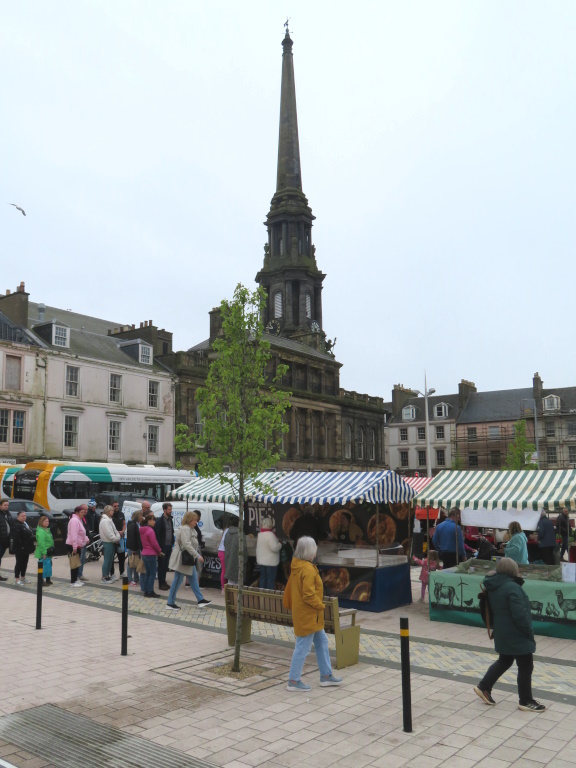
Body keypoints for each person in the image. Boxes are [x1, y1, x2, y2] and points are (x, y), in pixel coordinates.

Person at [473, 557, 545, 712]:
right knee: (526, 665)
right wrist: (529, 632)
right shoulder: (512, 588)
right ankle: (525, 700)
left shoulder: (494, 586)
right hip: (516, 633)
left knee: (505, 660)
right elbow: (520, 615)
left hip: (502, 632)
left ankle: (484, 686)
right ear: (513, 570)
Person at [283, 536, 343, 692]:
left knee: (321, 642)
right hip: (309, 614)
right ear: (309, 551)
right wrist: (320, 605)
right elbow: (308, 594)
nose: (316, 551)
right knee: (302, 647)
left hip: (306, 614)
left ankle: (326, 675)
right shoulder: (308, 569)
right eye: (314, 548)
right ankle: (293, 680)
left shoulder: (297, 566)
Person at [166, 511, 211, 610]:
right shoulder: (186, 529)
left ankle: (200, 600)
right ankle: (170, 603)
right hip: (183, 558)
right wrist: (197, 555)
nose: (196, 522)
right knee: (178, 580)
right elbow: (186, 544)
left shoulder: (190, 529)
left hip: (188, 559)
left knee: (194, 579)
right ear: (190, 520)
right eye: (195, 520)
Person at [140, 512, 163, 598]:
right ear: (149, 521)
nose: (155, 522)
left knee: (147, 573)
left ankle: (146, 591)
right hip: (151, 554)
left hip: (144, 553)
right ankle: (150, 591)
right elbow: (154, 543)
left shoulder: (142, 530)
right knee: (152, 573)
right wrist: (159, 550)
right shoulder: (150, 530)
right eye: (153, 520)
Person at [66, 504, 90, 587]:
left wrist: (86, 539)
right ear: (76, 512)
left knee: (77, 563)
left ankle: (76, 579)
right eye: (81, 512)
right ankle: (73, 581)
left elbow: (82, 532)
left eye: (84, 512)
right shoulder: (74, 521)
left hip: (79, 545)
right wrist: (74, 546)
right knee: (74, 564)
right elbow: (74, 535)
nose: (83, 513)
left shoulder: (79, 520)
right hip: (73, 545)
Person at [256, 516, 282, 589]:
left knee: (263, 578)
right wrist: (280, 544)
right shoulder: (271, 535)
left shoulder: (260, 535)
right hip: (271, 562)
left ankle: (262, 596)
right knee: (270, 579)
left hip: (261, 561)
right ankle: (268, 598)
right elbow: (274, 548)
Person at [154, 502, 174, 590]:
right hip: (163, 546)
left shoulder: (170, 520)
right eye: (169, 509)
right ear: (164, 510)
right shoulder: (159, 521)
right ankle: (160, 583)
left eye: (171, 509)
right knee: (161, 565)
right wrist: (159, 548)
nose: (171, 511)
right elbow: (157, 535)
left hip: (169, 545)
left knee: (166, 565)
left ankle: (164, 581)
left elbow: (171, 531)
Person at [12, 510, 35, 585]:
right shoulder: (16, 525)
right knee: (19, 563)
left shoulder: (25, 524)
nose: (24, 517)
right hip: (20, 548)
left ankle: (23, 577)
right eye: (22, 516)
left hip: (26, 548)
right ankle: (17, 578)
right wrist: (21, 546)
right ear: (18, 517)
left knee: (25, 563)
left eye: (25, 516)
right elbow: (17, 537)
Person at [99, 505, 120, 584]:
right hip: (108, 542)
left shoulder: (109, 520)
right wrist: (115, 539)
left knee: (111, 560)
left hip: (111, 542)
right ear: (108, 511)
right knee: (107, 560)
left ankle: (107, 575)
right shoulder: (105, 521)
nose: (113, 512)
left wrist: (117, 537)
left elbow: (115, 530)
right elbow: (108, 533)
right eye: (112, 510)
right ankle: (104, 576)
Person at [35, 515, 54, 586]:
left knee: (48, 565)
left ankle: (48, 579)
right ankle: (41, 581)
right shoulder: (41, 531)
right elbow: (41, 543)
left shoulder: (46, 529)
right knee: (43, 566)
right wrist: (44, 552)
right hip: (43, 552)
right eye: (45, 521)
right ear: (41, 522)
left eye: (48, 521)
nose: (47, 523)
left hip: (48, 551)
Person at [126, 508, 143, 586]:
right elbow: (131, 538)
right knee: (131, 563)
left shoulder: (137, 524)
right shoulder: (132, 525)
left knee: (136, 563)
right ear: (137, 516)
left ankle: (136, 579)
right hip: (133, 547)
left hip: (136, 547)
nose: (142, 517)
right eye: (141, 515)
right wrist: (133, 549)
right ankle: (129, 579)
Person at [109, 501, 127, 579]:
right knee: (111, 557)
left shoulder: (121, 514)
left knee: (121, 556)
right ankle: (112, 573)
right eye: (115, 506)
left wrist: (123, 531)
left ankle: (122, 572)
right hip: (112, 538)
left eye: (117, 506)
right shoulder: (109, 515)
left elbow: (124, 524)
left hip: (120, 537)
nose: (116, 507)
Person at [224, 516, 241, 586]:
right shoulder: (240, 534)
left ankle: (230, 597)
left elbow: (225, 544)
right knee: (238, 583)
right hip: (239, 561)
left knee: (230, 584)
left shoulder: (227, 533)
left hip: (228, 559)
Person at [0, 497, 12, 581]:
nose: (6, 506)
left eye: (7, 505)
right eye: (5, 505)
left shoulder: (8, 514)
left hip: (5, 541)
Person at [217, 516, 229, 592]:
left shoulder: (225, 530)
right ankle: (223, 587)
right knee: (224, 570)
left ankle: (223, 587)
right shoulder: (228, 530)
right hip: (223, 551)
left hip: (221, 551)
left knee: (224, 570)